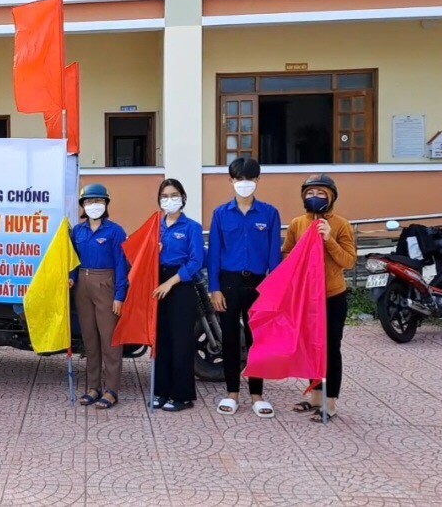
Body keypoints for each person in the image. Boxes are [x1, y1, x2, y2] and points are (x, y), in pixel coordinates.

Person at [207, 158, 282, 418]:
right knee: (230, 340)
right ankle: (232, 394)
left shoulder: (269, 213)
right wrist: (214, 288)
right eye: (239, 179)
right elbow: (214, 253)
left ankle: (257, 395)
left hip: (258, 286)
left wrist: (274, 291)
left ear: (258, 180)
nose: (244, 184)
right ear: (231, 181)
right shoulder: (220, 214)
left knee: (257, 341)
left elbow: (274, 256)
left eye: (249, 179)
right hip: (228, 284)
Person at [285, 174, 356, 423]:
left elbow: (349, 260)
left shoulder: (341, 225)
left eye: (321, 193)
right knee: (310, 347)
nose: (314, 197)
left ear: (331, 197)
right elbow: (286, 254)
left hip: (332, 296)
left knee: (330, 348)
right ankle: (315, 397)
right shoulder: (297, 224)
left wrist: (329, 239)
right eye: (310, 193)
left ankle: (330, 402)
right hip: (306, 297)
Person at [69, 184, 129, 410]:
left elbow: (121, 265)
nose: (93, 205)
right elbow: (73, 259)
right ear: (83, 206)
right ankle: (93, 387)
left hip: (106, 284)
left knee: (109, 340)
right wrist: (71, 278)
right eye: (89, 201)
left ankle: (111, 390)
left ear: (106, 204)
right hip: (82, 286)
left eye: (98, 201)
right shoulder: (77, 231)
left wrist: (120, 295)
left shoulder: (115, 231)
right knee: (90, 340)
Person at [150, 179, 205, 412]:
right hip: (157, 284)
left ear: (183, 198)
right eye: (164, 196)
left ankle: (182, 396)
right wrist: (153, 252)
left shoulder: (192, 227)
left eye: (174, 195)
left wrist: (170, 283)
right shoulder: (156, 226)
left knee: (181, 341)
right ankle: (161, 391)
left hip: (180, 286)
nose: (169, 200)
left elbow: (196, 261)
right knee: (161, 340)